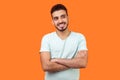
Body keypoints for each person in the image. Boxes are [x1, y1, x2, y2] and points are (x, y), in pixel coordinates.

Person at [40, 4, 88, 80]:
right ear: (52, 22)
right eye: (56, 18)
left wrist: (56, 60)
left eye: (63, 16)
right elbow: (46, 66)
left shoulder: (79, 37)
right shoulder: (46, 38)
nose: (60, 21)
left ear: (68, 18)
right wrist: (74, 63)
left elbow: (82, 63)